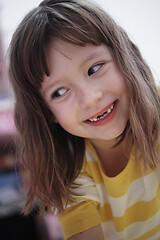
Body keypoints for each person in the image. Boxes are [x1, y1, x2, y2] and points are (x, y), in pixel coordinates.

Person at [9, 0, 160, 239]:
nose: (90, 99)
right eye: (59, 92)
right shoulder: (67, 168)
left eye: (95, 68)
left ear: (124, 55)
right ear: (46, 112)